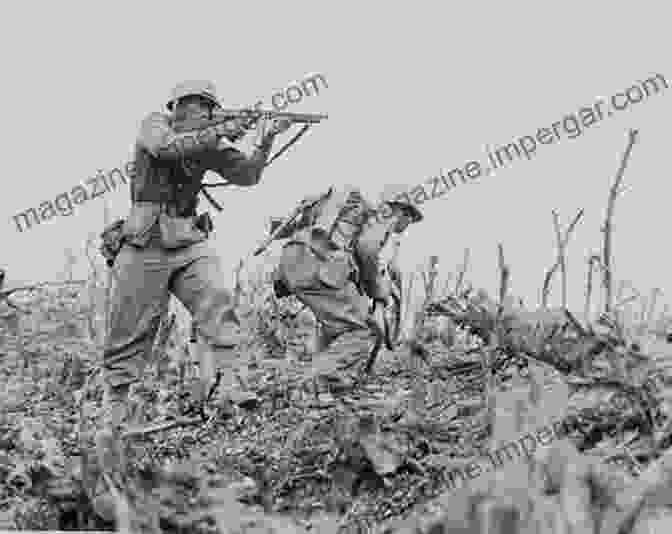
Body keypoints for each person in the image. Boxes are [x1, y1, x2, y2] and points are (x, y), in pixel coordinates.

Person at [93, 80, 291, 518]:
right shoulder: (155, 124)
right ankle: (117, 413)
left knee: (218, 303)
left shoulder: (210, 142)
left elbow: (247, 176)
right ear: (178, 107)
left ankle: (233, 387)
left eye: (207, 106)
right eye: (195, 105)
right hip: (144, 239)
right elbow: (165, 149)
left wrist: (267, 138)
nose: (200, 111)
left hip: (186, 237)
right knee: (130, 330)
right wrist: (220, 131)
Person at [270, 185, 423, 391]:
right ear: (401, 210)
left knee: (336, 326)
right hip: (317, 265)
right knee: (364, 330)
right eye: (410, 217)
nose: (408, 223)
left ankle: (316, 374)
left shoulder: (346, 218)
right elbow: (367, 249)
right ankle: (315, 382)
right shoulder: (382, 217)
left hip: (292, 264)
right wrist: (378, 292)